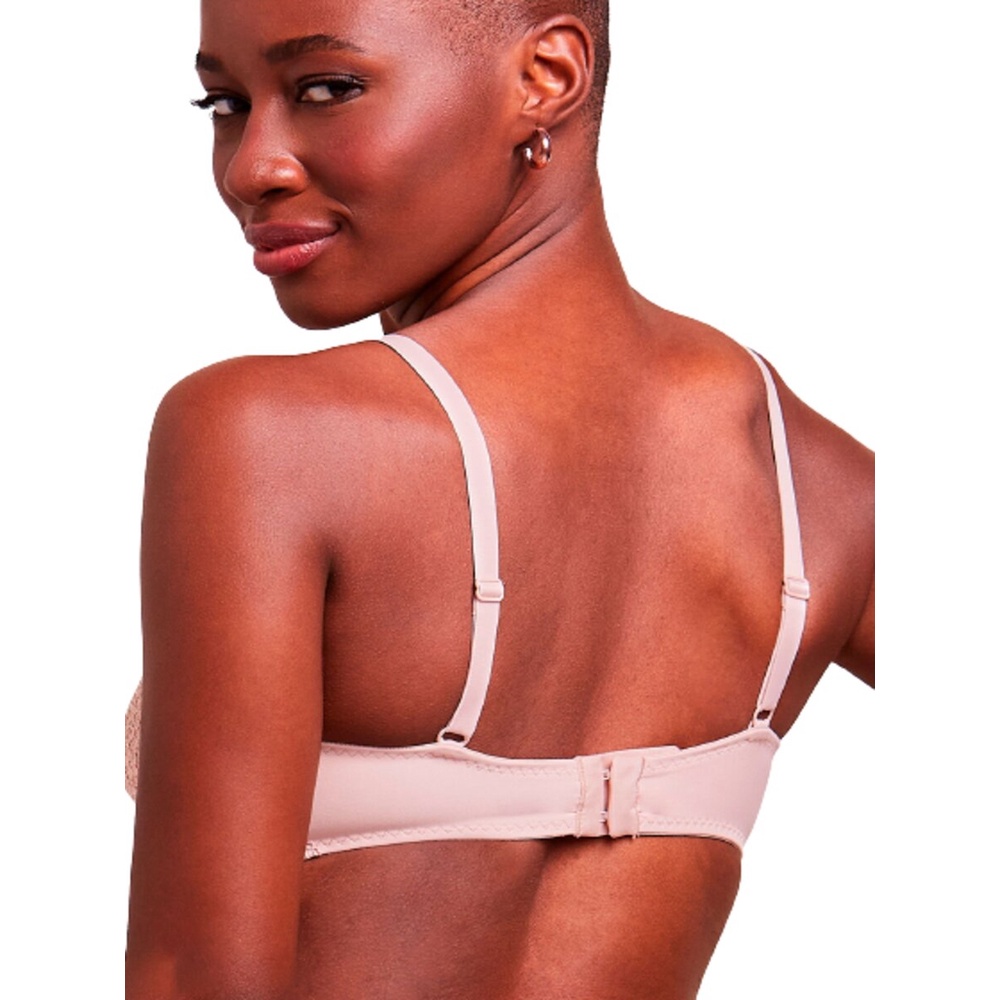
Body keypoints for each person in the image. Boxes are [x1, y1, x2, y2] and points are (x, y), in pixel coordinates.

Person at [125, 0, 875, 997]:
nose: (250, 167)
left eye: (326, 89)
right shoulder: (821, 483)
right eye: (223, 104)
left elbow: (195, 978)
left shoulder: (264, 436)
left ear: (547, 77)